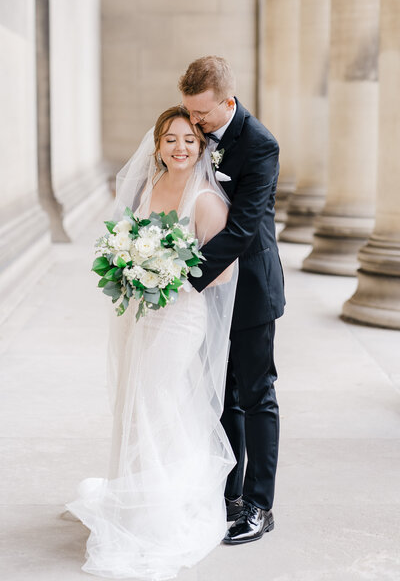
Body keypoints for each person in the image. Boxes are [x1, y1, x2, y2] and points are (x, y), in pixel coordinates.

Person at [66, 106, 238, 580]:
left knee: (156, 400)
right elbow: (125, 240)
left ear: (201, 145)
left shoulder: (205, 200)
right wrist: (131, 268)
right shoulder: (149, 187)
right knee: (136, 401)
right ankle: (135, 493)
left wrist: (168, 271)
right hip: (143, 315)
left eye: (188, 139)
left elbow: (223, 272)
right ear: (158, 146)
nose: (179, 148)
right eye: (169, 140)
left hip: (181, 317)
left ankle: (161, 510)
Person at [179, 56, 285, 544]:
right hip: (211, 294)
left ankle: (260, 505)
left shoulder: (260, 144)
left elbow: (243, 227)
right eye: (189, 112)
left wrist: (182, 275)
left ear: (227, 100)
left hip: (250, 291)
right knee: (223, 398)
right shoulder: (197, 128)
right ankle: (229, 496)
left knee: (256, 395)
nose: (193, 124)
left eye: (201, 115)